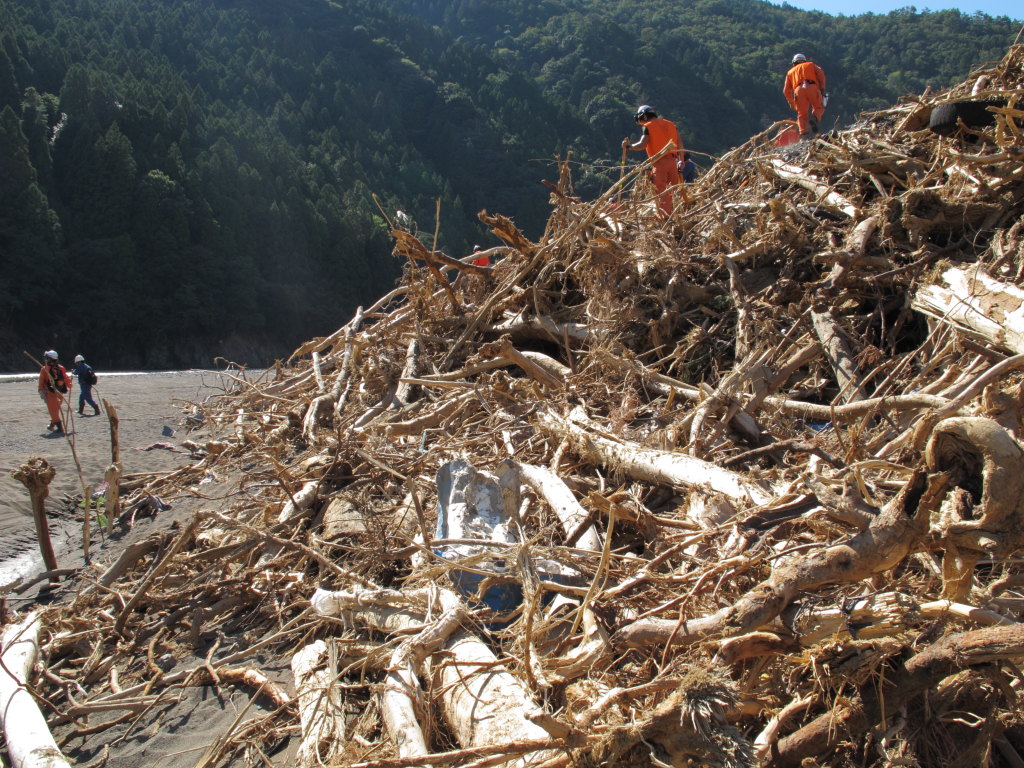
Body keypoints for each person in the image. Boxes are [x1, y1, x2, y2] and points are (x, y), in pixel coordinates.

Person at [622, 105, 683, 217]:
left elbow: (642, 144)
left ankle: (665, 217)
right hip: (673, 162)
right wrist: (681, 160)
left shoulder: (648, 126)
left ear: (644, 116)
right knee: (673, 189)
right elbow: (680, 144)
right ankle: (676, 214)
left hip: (660, 162)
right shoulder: (671, 124)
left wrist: (629, 146)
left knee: (660, 190)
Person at [783, 53, 827, 139]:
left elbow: (786, 90)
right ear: (804, 60)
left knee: (801, 113)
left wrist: (791, 102)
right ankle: (814, 119)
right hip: (812, 87)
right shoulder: (811, 65)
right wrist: (822, 88)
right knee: (820, 106)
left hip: (798, 90)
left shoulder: (790, 72)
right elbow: (821, 74)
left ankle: (803, 134)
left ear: (794, 62)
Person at [37, 350, 72, 434]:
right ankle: (52, 424)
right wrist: (70, 385)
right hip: (60, 393)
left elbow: (41, 381)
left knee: (53, 411)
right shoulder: (61, 368)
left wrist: (40, 390)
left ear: (49, 359)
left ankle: (60, 428)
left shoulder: (44, 369)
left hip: (50, 393)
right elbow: (66, 378)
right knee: (56, 410)